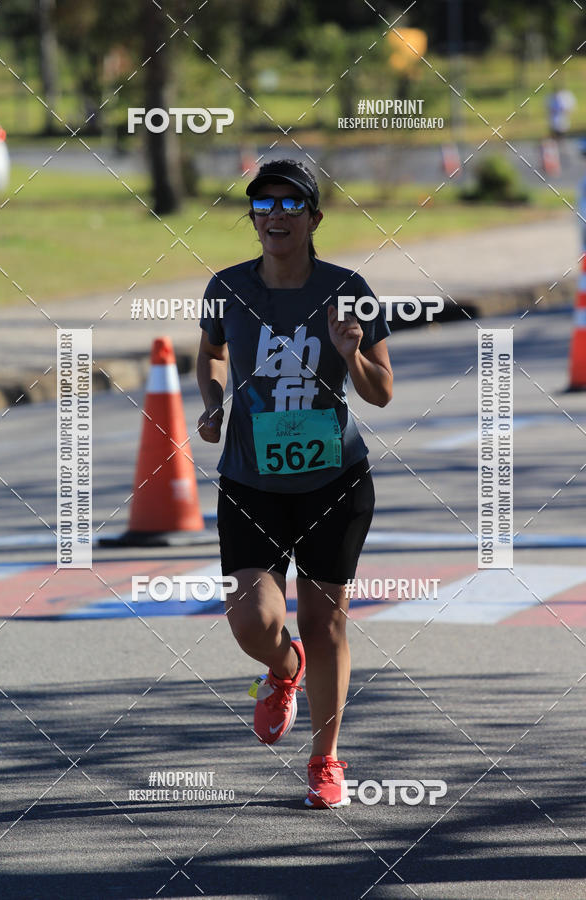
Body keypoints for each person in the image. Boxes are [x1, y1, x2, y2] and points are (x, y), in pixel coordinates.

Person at [196, 159, 393, 808]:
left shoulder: (348, 288)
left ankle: (325, 759)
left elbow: (382, 392)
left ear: (314, 217)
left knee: (323, 618)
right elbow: (212, 352)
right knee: (252, 620)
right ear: (253, 218)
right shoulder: (226, 287)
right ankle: (286, 670)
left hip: (333, 479)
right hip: (251, 479)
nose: (275, 214)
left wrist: (351, 352)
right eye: (263, 204)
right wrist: (213, 401)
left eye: (290, 203)